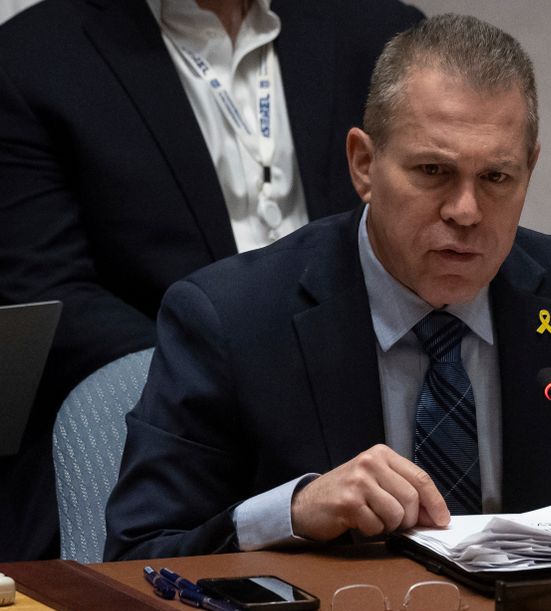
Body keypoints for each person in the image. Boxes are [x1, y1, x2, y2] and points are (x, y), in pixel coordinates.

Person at [104, 13, 551, 560]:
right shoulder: (231, 318)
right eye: (433, 171)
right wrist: (291, 513)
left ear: (529, 168)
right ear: (364, 164)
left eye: (497, 177)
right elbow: (138, 552)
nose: (466, 210)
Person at [0, 0, 423, 561]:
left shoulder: (380, 32)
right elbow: (52, 295)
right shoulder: (32, 58)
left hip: (367, 412)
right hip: (169, 424)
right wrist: (240, 379)